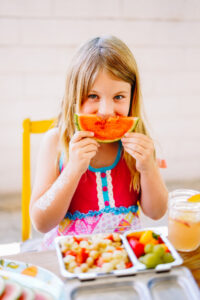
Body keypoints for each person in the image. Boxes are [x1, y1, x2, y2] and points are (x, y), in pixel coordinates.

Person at [30, 35, 168, 249]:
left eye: (119, 97)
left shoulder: (137, 144)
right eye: (93, 96)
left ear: (133, 96)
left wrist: (148, 168)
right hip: (72, 258)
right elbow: (41, 222)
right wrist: (73, 169)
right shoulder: (56, 142)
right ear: (74, 96)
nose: (106, 111)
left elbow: (157, 212)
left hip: (124, 258)